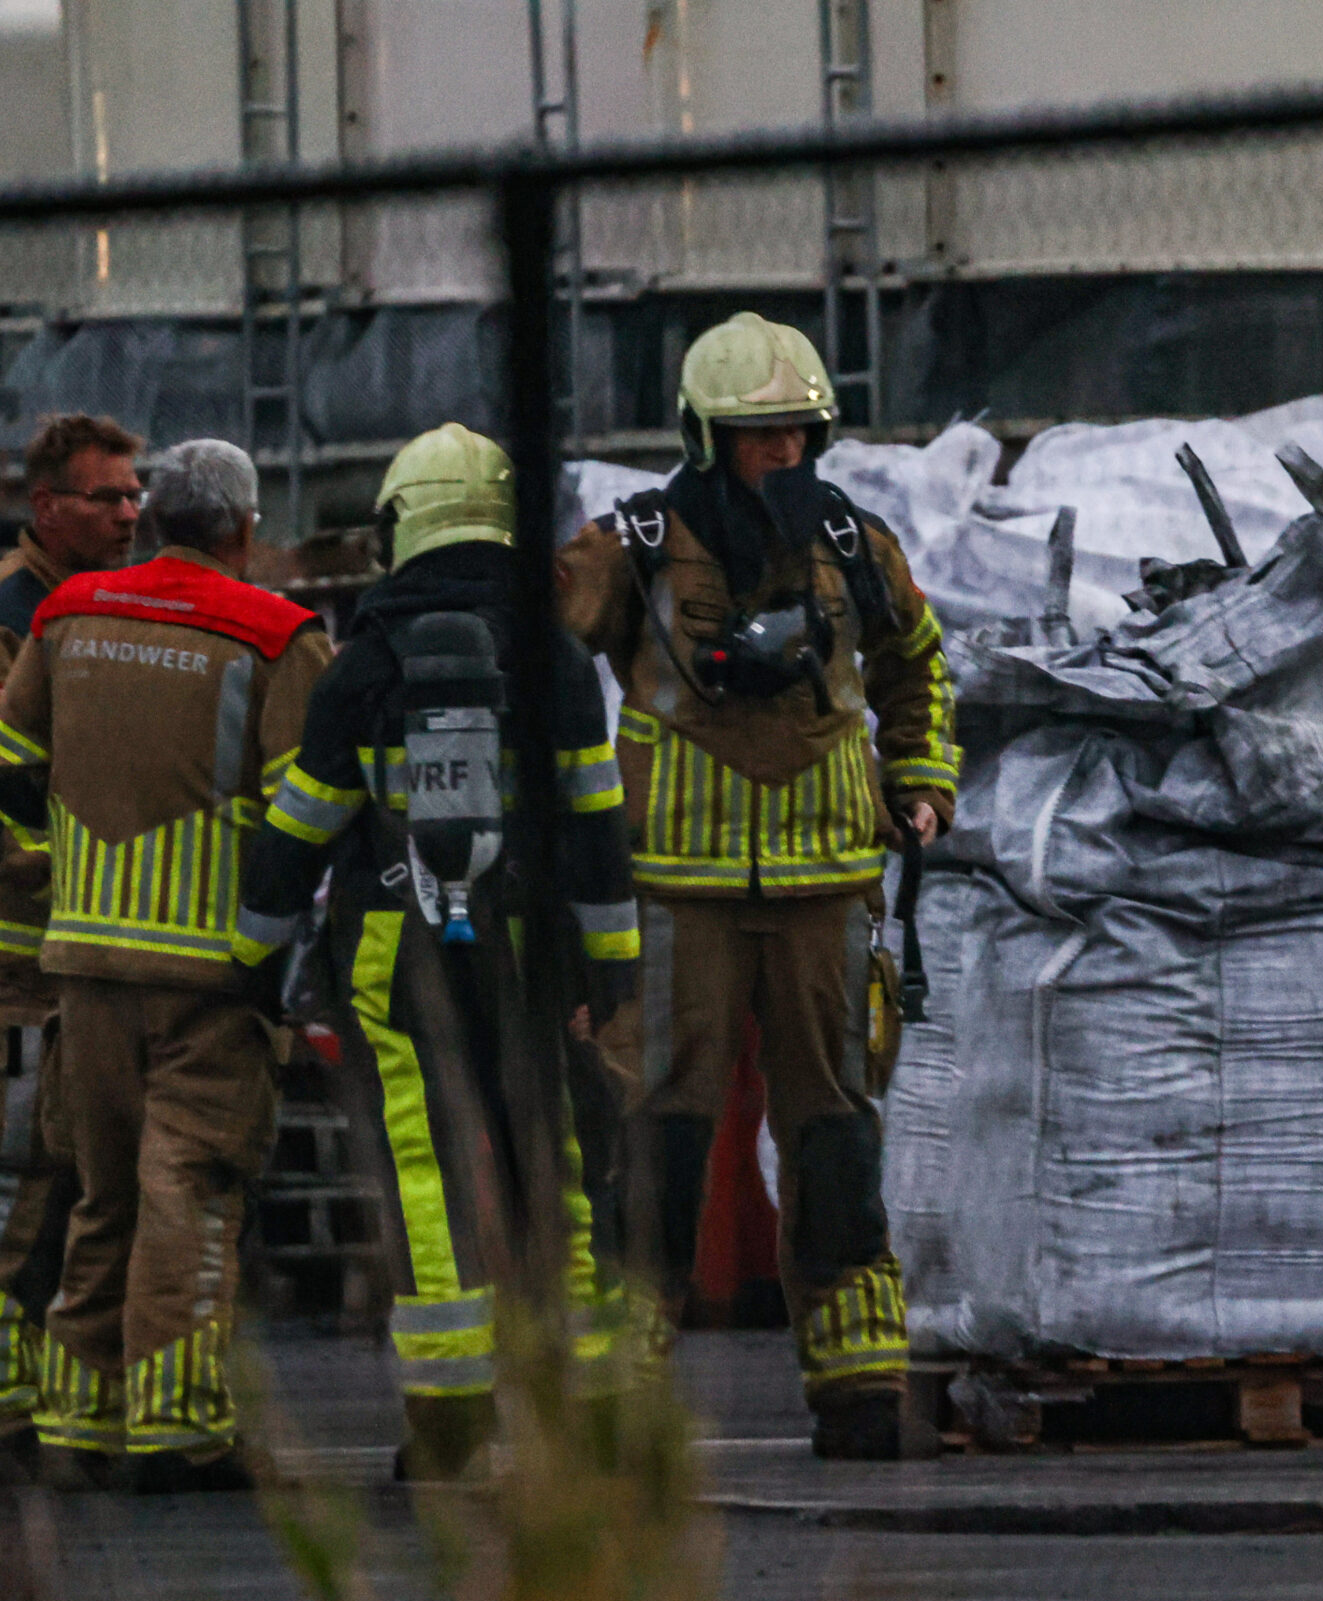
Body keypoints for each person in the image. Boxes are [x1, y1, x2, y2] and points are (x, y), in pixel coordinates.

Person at [557, 312, 959, 1460]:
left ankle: (860, 1385)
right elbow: (535, 650)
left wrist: (921, 783)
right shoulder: (630, 542)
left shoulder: (853, 542)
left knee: (834, 1133)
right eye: (755, 436)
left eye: (795, 432)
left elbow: (916, 665)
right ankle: (621, 1390)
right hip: (672, 890)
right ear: (702, 437)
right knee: (662, 1133)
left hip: (827, 887)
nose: (780, 454)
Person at [232, 423, 640, 1480]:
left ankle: (450, 1431)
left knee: (425, 1170)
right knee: (558, 1161)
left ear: (402, 526)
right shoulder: (550, 658)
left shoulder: (361, 664)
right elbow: (595, 828)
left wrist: (251, 961)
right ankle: (587, 1413)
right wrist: (613, 971)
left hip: (391, 955)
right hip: (532, 954)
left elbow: (300, 834)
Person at [0, 440, 331, 1493]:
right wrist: (280, 953)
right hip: (210, 973)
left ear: (153, 518)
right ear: (242, 528)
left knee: (101, 1196)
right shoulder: (278, 637)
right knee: (189, 1195)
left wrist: (36, 868)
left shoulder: (65, 621)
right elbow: (309, 818)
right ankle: (180, 1429)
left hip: (79, 964)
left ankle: (75, 1422)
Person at [0, 412, 145, 1485]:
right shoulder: (1, 618)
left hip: (85, 957)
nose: (127, 512)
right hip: (23, 963)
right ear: (46, 505)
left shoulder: (88, 608)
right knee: (14, 1172)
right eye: (105, 497)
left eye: (133, 493)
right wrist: (46, 865)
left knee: (83, 1174)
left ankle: (52, 1395)